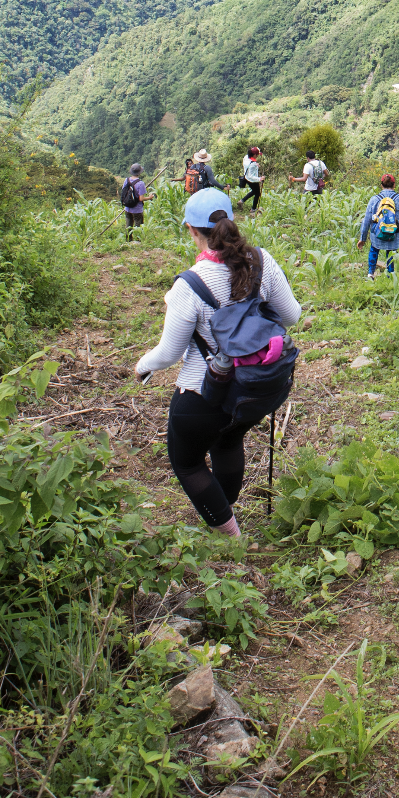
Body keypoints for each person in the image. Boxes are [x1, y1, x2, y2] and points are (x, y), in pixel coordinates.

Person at [134, 188, 302, 538]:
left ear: (191, 230)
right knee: (228, 442)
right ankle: (225, 514)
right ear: (231, 221)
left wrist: (141, 367)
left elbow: (169, 352)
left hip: (205, 392)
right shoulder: (261, 261)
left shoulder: (190, 284)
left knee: (187, 461)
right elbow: (292, 315)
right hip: (252, 388)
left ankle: (228, 534)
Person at [357, 173, 399, 276]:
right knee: (391, 251)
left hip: (377, 235)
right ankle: (390, 275)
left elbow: (367, 220)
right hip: (394, 235)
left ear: (381, 185)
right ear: (394, 185)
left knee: (374, 249)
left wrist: (362, 238)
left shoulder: (374, 199)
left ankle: (370, 274)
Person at [120, 163, 148, 238]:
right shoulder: (141, 183)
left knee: (128, 225)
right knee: (138, 226)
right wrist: (149, 197)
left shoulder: (126, 180)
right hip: (137, 209)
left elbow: (124, 191)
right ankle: (138, 240)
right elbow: (141, 198)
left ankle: (128, 240)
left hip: (127, 208)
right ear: (139, 173)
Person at [239, 144, 264, 214]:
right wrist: (260, 179)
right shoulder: (252, 163)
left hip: (246, 178)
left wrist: (256, 165)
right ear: (254, 155)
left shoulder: (246, 157)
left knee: (254, 191)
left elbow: (248, 167)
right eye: (257, 155)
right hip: (252, 181)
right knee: (257, 193)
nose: (258, 156)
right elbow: (251, 176)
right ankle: (253, 209)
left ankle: (241, 201)